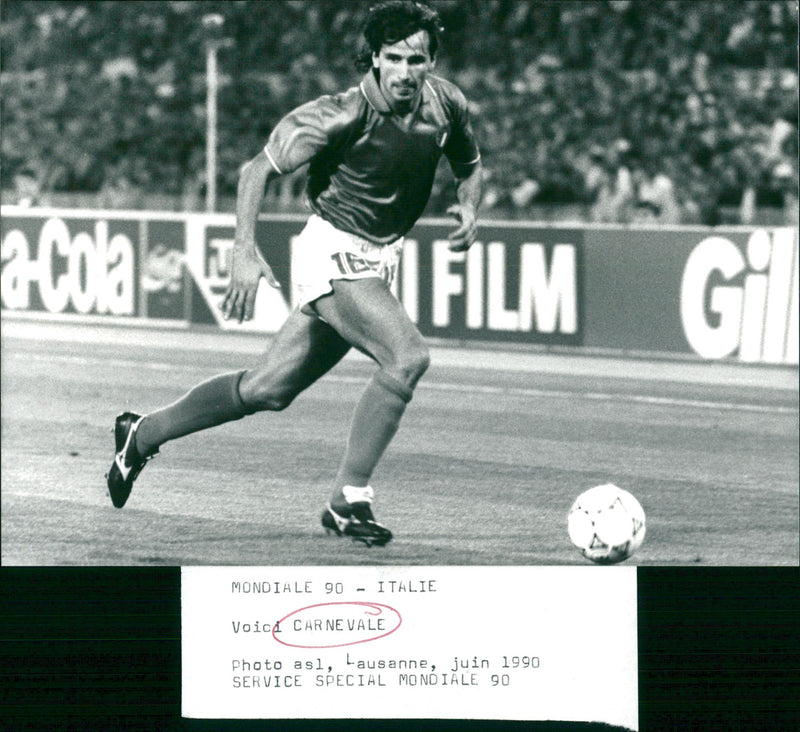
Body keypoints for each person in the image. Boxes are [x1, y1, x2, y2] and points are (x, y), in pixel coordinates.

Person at [106, 0, 482, 547]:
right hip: (331, 249)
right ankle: (347, 499)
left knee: (267, 389)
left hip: (378, 258)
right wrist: (243, 249)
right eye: (394, 58)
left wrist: (470, 208)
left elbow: (470, 167)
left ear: (431, 61)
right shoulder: (337, 113)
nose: (405, 71)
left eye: (417, 60)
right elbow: (256, 169)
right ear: (375, 57)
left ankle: (141, 435)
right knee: (407, 357)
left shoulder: (447, 105)